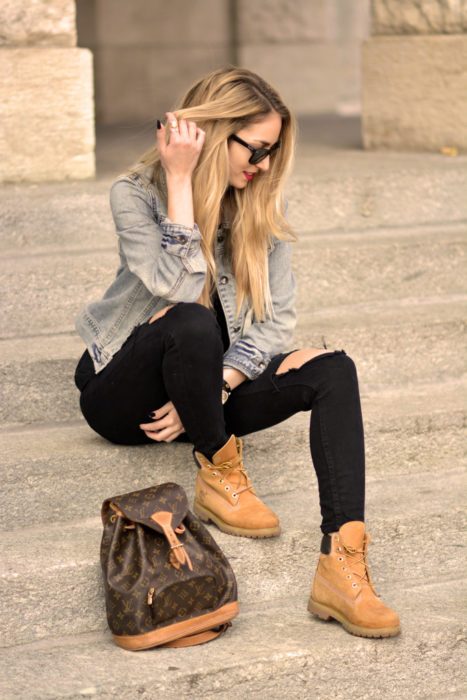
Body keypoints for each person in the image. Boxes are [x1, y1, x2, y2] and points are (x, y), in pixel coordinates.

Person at [74, 66, 400, 639]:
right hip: (124, 393)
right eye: (257, 149)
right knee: (193, 320)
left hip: (208, 389)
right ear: (212, 133)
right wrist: (180, 181)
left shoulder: (258, 207)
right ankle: (221, 467)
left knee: (333, 371)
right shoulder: (133, 194)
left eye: (274, 151)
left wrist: (217, 385)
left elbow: (277, 323)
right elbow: (174, 292)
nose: (266, 164)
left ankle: (342, 567)